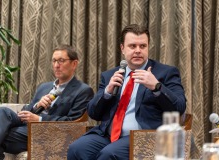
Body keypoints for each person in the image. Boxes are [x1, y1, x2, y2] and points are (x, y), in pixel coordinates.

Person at [67, 24, 186, 160]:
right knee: (76, 149)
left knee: (109, 154)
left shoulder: (165, 73)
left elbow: (180, 106)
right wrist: (107, 92)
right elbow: (94, 113)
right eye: (132, 46)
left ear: (148, 47)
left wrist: (157, 86)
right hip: (108, 135)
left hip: (144, 137)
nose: (138, 51)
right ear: (122, 48)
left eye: (142, 46)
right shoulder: (110, 75)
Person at [0, 44, 94, 160]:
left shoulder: (83, 90)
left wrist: (39, 119)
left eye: (61, 61)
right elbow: (25, 113)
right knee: (2, 112)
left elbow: (74, 123)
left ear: (74, 64)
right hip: (25, 128)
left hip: (48, 133)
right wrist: (37, 105)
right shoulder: (44, 87)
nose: (56, 65)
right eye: (54, 61)